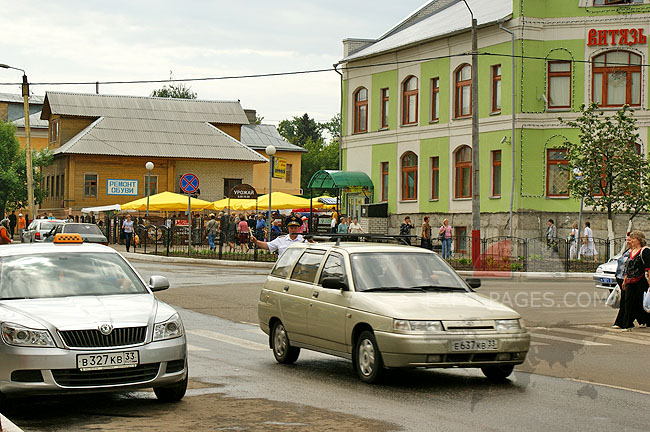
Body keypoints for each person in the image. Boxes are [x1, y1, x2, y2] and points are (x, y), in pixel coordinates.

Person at [619, 230, 650, 332]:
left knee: (643, 303)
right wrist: (625, 280)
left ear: (639, 240)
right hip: (631, 281)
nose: (631, 241)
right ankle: (627, 324)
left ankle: (646, 320)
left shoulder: (645, 251)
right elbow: (629, 268)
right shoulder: (631, 251)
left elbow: (648, 269)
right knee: (628, 302)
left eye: (633, 239)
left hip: (641, 281)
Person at [612, 237, 631, 329]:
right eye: (627, 240)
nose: (628, 241)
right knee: (627, 301)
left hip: (629, 279)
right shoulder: (627, 250)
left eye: (630, 239)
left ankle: (621, 322)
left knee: (626, 301)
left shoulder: (639, 251)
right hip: (620, 277)